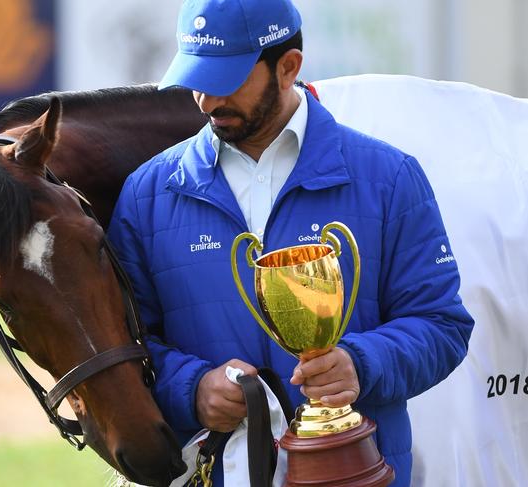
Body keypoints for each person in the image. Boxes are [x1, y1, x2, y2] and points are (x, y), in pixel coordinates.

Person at [108, 1, 474, 485]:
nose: (205, 102)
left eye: (227, 80)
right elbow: (126, 344)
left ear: (288, 68)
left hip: (350, 470)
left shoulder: (390, 178)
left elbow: (442, 325)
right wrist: (191, 389)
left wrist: (362, 364)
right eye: (197, 78)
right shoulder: (146, 193)